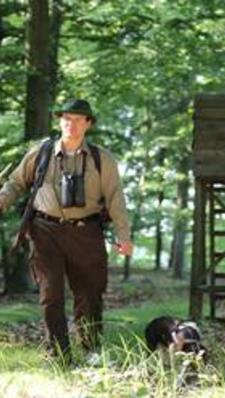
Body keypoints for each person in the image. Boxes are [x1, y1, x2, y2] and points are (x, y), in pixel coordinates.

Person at [0, 99, 133, 361]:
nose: (71, 124)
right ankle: (60, 354)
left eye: (78, 119)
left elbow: (116, 198)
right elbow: (16, 182)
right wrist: (3, 199)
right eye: (66, 118)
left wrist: (124, 236)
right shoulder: (41, 153)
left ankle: (91, 351)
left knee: (90, 295)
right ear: (60, 121)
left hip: (87, 233)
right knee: (50, 295)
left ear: (88, 124)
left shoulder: (102, 159)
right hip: (45, 232)